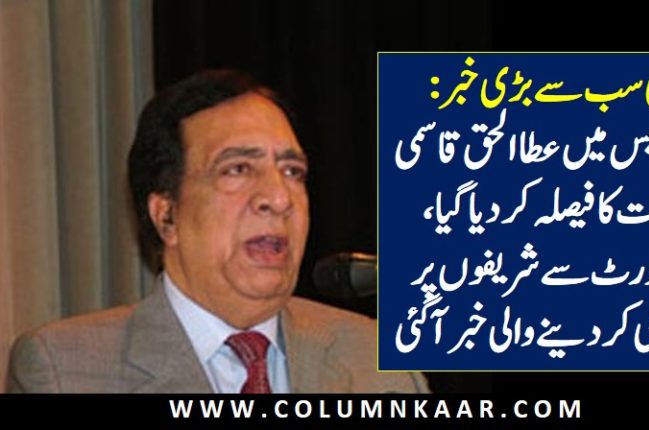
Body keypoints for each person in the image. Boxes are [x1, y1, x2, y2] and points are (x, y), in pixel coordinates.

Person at [6, 70, 428, 393]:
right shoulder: (64, 370)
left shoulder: (374, 358)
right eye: (238, 169)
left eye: (292, 171)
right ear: (166, 215)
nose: (278, 198)